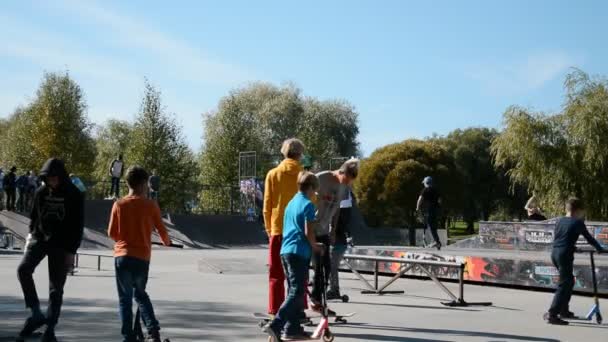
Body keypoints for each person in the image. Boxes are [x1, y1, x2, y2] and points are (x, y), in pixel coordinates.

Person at [16, 158, 85, 342]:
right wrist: (31, 236)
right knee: (23, 270)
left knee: (56, 288)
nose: (52, 183)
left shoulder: (74, 194)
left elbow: (78, 226)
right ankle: (36, 311)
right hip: (40, 238)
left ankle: (50, 328)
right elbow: (34, 216)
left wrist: (72, 251)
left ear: (61, 177)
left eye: (55, 179)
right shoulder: (41, 192)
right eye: (49, 179)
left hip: (62, 244)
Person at [108, 166, 172, 342]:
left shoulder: (118, 204)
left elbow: (112, 234)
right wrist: (167, 243)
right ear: (144, 184)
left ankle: (128, 337)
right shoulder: (151, 205)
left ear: (127, 183)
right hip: (142, 258)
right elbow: (162, 231)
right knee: (141, 295)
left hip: (122, 256)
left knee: (125, 300)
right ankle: (153, 331)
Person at [263, 172, 322, 341]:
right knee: (297, 291)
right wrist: (315, 246)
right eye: (315, 189)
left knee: (293, 290)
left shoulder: (291, 203)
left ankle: (292, 328)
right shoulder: (308, 205)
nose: (315, 193)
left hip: (285, 250)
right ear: (310, 187)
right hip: (298, 251)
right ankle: (277, 325)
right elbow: (308, 231)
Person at [543, 198, 604, 325]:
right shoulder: (577, 222)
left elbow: (561, 238)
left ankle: (564, 311)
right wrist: (600, 249)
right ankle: (552, 314)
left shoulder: (559, 220)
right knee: (564, 283)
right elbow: (589, 239)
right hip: (564, 255)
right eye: (582, 211)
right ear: (578, 210)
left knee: (569, 281)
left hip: (555, 253)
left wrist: (573, 247)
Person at [263, 138, 305, 316]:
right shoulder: (303, 175)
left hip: (278, 228)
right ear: (300, 154)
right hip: (299, 230)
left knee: (276, 273)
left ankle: (275, 309)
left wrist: (269, 230)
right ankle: (297, 308)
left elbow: (267, 204)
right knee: (299, 274)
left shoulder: (273, 174)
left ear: (283, 152)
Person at [311, 158, 359, 312]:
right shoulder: (321, 178)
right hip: (310, 229)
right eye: (345, 180)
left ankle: (318, 302)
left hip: (324, 230)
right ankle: (304, 303)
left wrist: (333, 229)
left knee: (325, 269)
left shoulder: (344, 187)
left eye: (349, 182)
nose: (345, 184)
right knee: (314, 267)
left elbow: (337, 209)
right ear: (341, 171)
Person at [327, 188, 354, 300]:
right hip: (339, 243)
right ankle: (333, 289)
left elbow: (334, 223)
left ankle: (334, 290)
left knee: (331, 266)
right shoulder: (346, 211)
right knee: (331, 266)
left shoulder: (340, 212)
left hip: (338, 243)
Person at [416, 176, 442, 250]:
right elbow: (440, 200)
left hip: (429, 210)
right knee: (433, 226)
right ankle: (436, 241)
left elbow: (420, 199)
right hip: (436, 210)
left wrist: (417, 208)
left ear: (426, 183)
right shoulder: (436, 190)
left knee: (430, 226)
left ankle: (437, 242)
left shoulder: (425, 190)